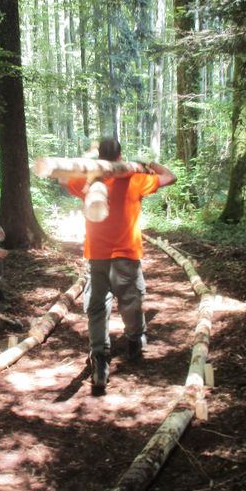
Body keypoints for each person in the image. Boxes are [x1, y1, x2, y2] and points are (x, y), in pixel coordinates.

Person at [63, 138, 176, 390]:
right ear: (120, 156)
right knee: (131, 302)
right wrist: (147, 164)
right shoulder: (135, 179)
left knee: (97, 308)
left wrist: (87, 163)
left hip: (97, 257)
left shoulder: (88, 180)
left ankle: (100, 357)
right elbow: (170, 177)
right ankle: (135, 340)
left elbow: (64, 179)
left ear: (101, 157)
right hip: (127, 255)